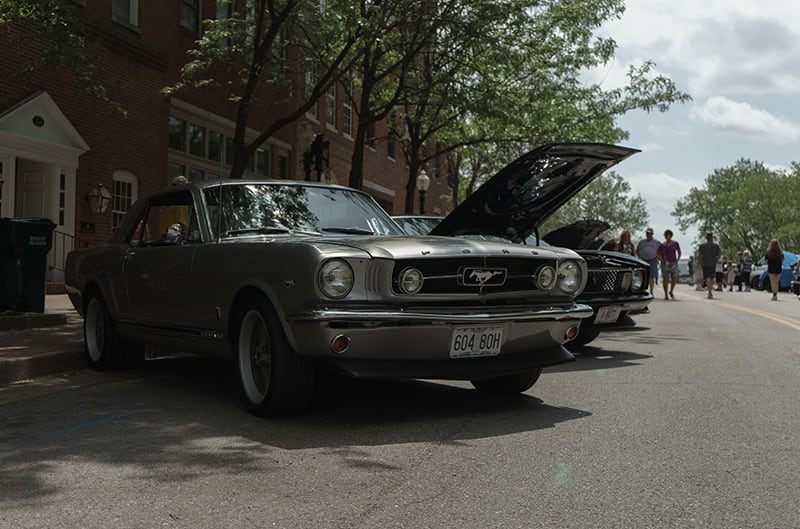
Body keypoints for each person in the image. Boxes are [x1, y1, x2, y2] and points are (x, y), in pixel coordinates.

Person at [636, 228, 661, 295]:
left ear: (652, 234)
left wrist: (658, 257)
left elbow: (661, 251)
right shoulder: (642, 242)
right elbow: (637, 250)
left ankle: (651, 291)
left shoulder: (657, 242)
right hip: (643, 260)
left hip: (652, 261)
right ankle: (642, 290)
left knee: (651, 277)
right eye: (647, 233)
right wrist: (639, 258)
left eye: (650, 233)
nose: (648, 235)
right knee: (643, 275)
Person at [658, 229, 681, 299]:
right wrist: (660, 259)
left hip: (673, 262)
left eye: (668, 235)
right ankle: (666, 294)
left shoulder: (675, 243)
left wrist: (678, 258)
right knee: (665, 278)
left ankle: (671, 291)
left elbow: (679, 251)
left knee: (674, 277)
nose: (667, 236)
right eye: (666, 235)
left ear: (671, 236)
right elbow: (658, 253)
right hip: (665, 262)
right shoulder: (662, 245)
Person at [697, 231, 721, 299]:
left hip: (705, 263)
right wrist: (716, 260)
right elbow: (719, 254)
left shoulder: (702, 246)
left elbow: (700, 255)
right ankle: (710, 291)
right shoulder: (716, 246)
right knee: (711, 278)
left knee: (707, 277)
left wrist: (701, 262)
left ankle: (710, 292)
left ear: (706, 237)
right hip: (713, 263)